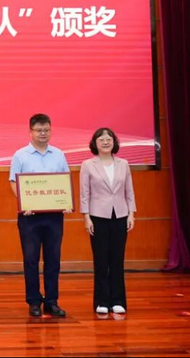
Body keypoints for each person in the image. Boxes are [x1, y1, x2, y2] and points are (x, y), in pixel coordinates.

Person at [9, 113, 69, 317]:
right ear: (31, 132)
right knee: (31, 260)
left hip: (54, 216)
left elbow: (64, 181)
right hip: (29, 216)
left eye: (46, 130)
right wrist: (23, 202)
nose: (43, 133)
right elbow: (13, 182)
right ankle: (34, 301)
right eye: (39, 130)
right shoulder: (20, 155)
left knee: (53, 259)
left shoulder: (59, 154)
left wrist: (65, 202)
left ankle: (52, 301)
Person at [79, 127, 136, 315]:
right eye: (101, 139)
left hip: (120, 215)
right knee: (101, 260)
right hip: (97, 216)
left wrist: (131, 214)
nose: (105, 142)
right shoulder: (88, 165)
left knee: (117, 259)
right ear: (95, 143)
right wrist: (86, 216)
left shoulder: (123, 164)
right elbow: (84, 193)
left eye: (109, 139)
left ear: (114, 142)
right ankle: (102, 301)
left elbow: (129, 191)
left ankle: (118, 300)